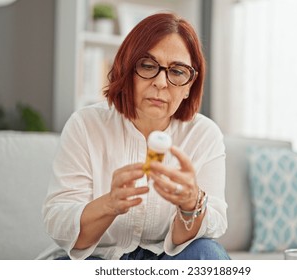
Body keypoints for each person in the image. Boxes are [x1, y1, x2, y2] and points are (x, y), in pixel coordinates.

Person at [39, 12, 229, 260]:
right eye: (148, 66)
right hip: (96, 259)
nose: (161, 82)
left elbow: (213, 225)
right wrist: (110, 204)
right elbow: (59, 223)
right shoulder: (85, 125)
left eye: (178, 71)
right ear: (127, 70)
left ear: (189, 87)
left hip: (167, 260)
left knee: (207, 253)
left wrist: (191, 204)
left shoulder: (204, 135)